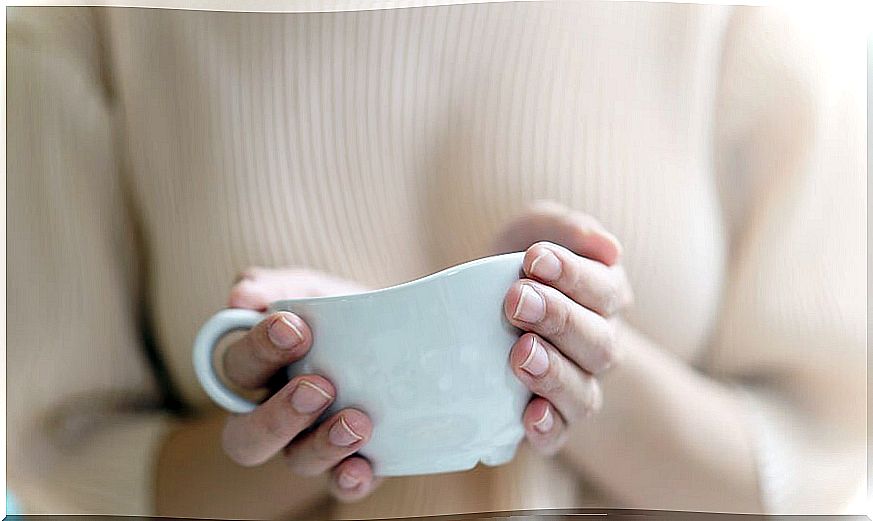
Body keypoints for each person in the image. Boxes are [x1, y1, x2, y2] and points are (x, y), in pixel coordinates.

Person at [7, 1, 866, 519]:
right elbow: (66, 471)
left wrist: (567, 363)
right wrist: (311, 411)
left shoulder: (752, 21)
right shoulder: (88, 28)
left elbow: (827, 466)